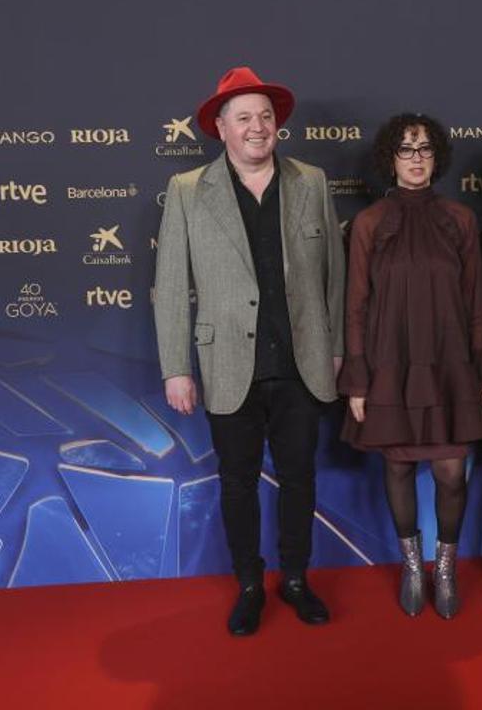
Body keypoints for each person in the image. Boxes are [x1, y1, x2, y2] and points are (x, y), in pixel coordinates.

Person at [153, 66, 346, 636]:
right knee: (236, 482)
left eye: (266, 116)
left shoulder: (311, 180)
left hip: (301, 363)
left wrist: (334, 348)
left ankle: (294, 579)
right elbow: (169, 287)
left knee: (300, 477)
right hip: (226, 366)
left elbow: (335, 275)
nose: (258, 127)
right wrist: (175, 369)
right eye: (245, 118)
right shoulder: (188, 190)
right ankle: (247, 584)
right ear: (221, 127)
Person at [338, 113, 482, 619]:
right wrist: (358, 379)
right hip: (389, 364)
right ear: (391, 158)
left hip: (451, 364)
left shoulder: (461, 219)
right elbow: (356, 305)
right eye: (406, 151)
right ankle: (412, 564)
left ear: (437, 158)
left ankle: (444, 567)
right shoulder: (367, 223)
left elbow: (475, 302)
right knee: (399, 465)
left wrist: (480, 370)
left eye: (425, 150)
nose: (416, 160)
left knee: (452, 472)